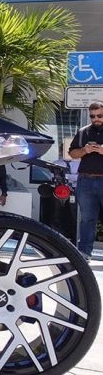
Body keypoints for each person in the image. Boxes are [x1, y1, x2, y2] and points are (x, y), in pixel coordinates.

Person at [68, 101, 103, 260]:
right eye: (93, 116)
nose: (96, 119)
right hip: (85, 180)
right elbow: (73, 154)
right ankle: (84, 253)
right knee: (87, 219)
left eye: (100, 115)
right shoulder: (83, 132)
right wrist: (85, 150)